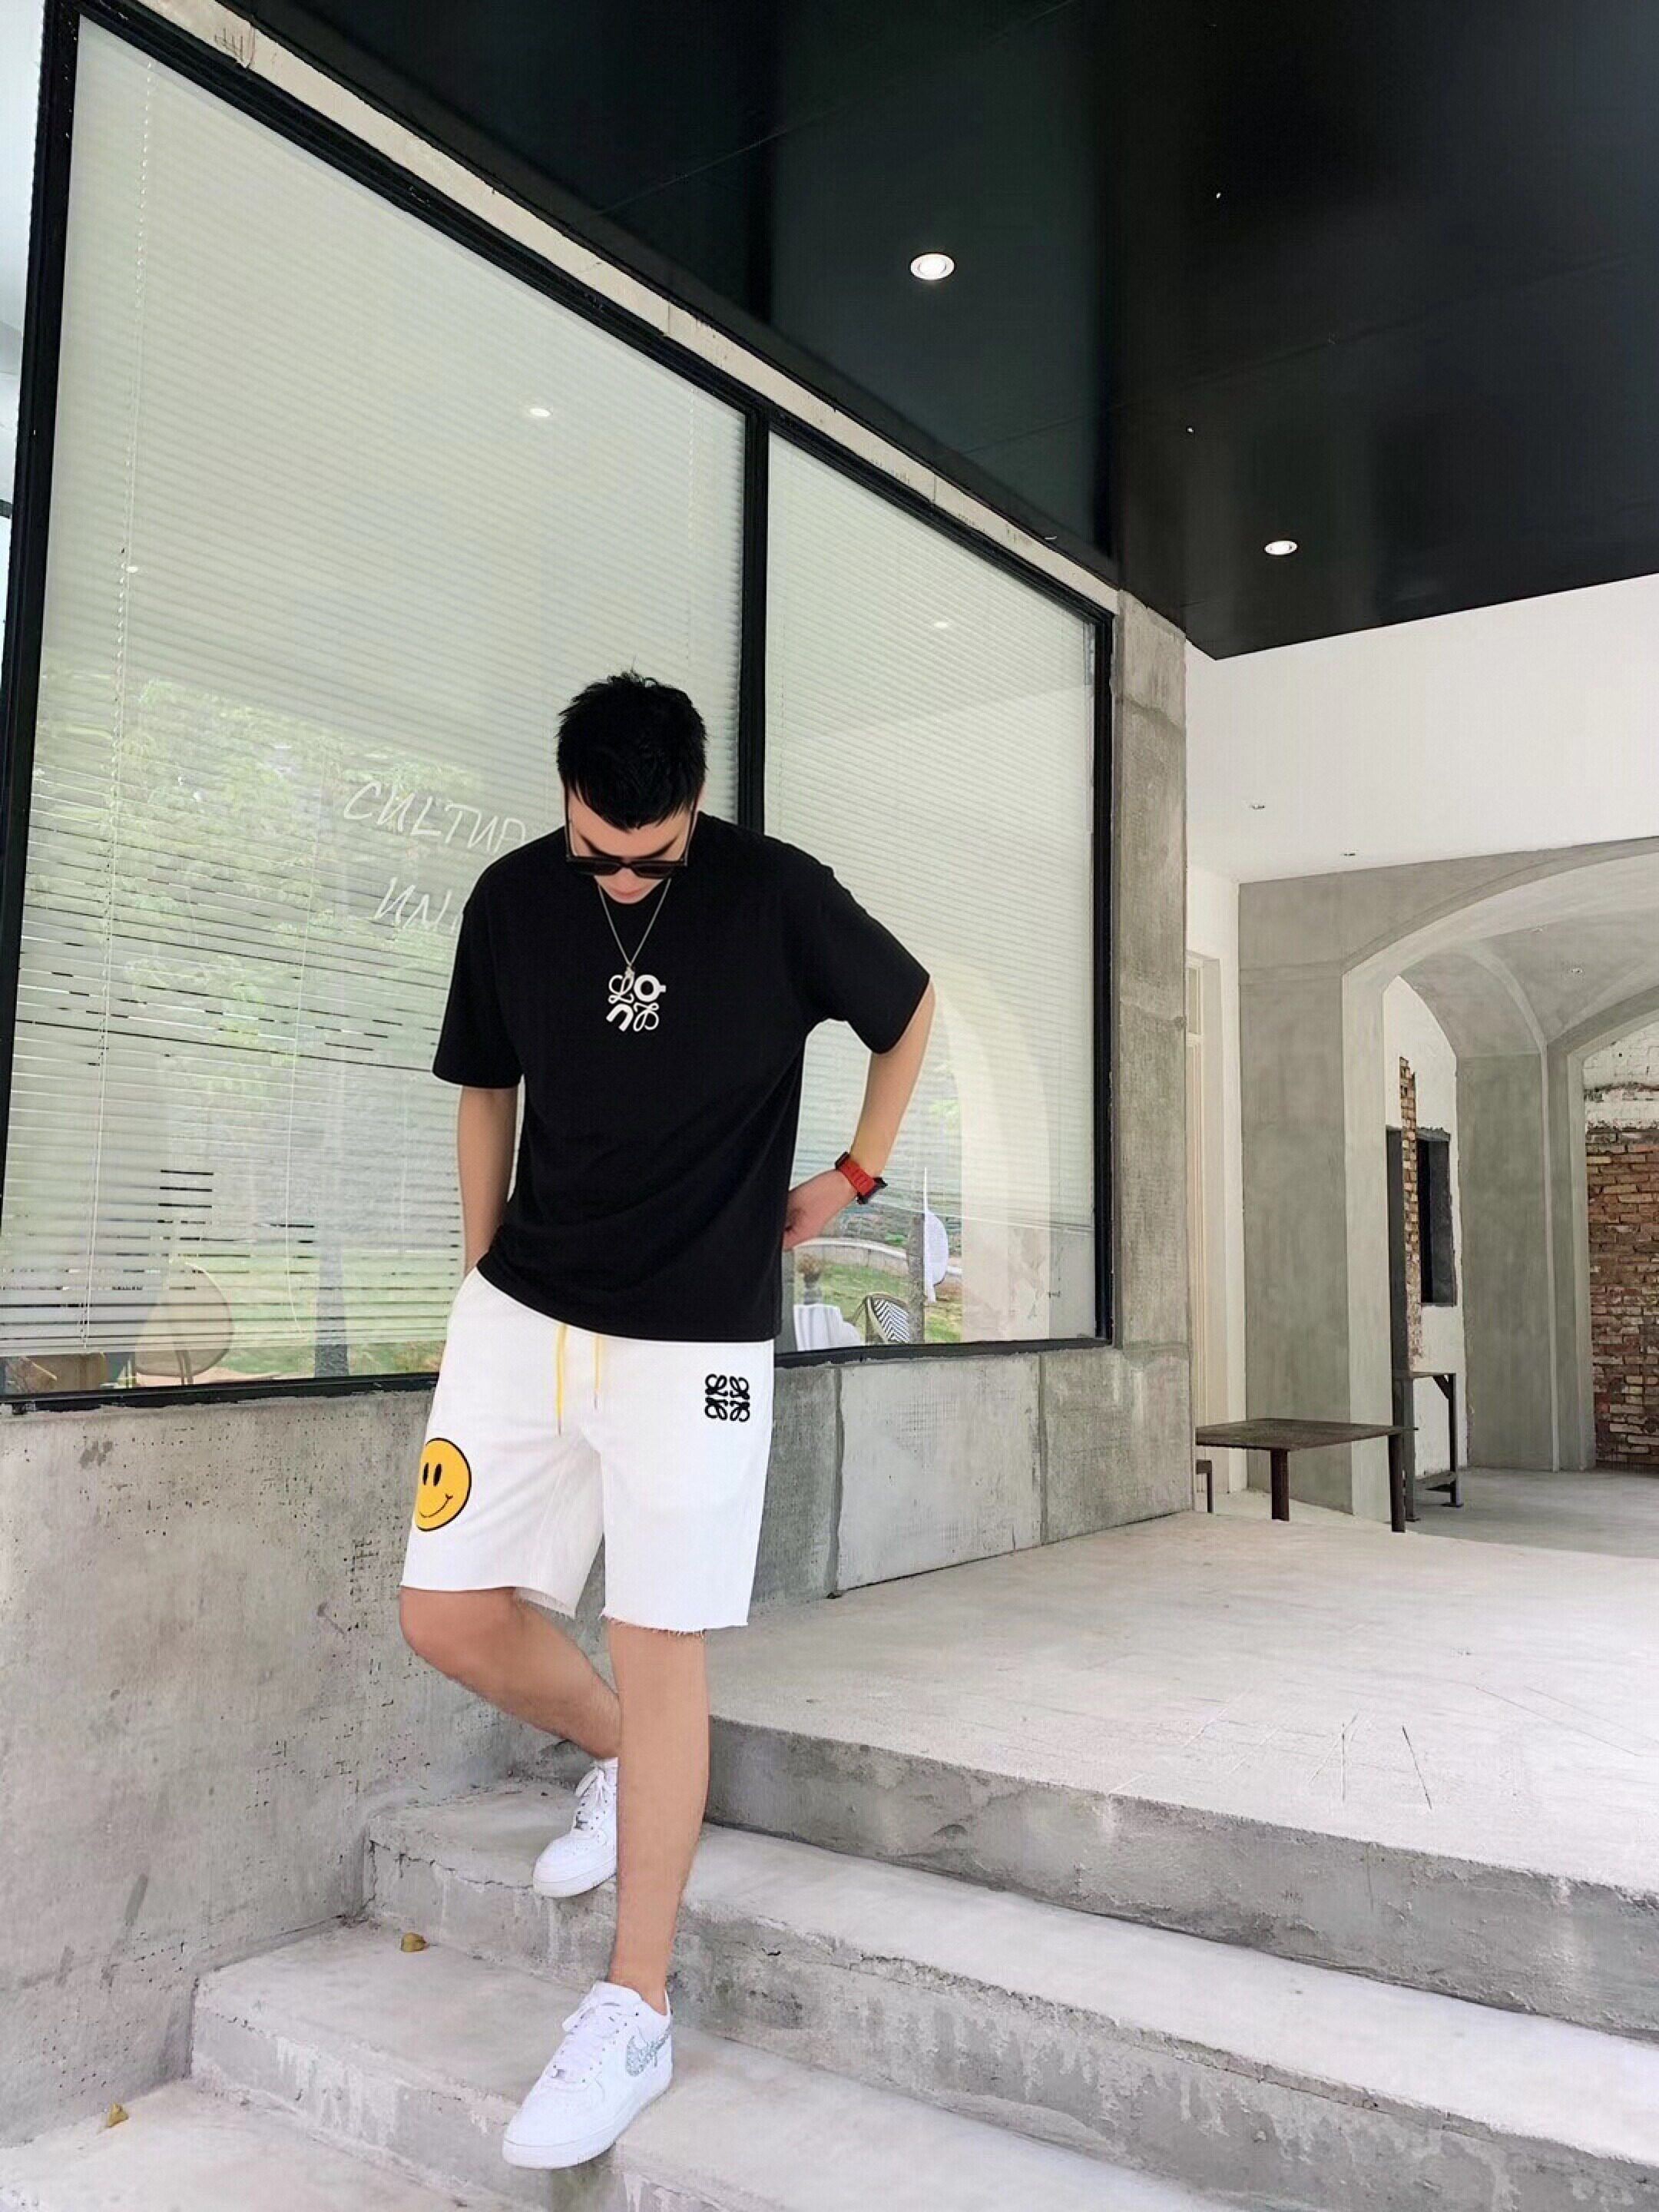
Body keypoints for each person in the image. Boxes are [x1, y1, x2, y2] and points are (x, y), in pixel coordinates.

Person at [399, 671, 933, 2171]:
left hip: (694, 1336)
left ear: (696, 804)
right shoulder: (512, 900)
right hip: (523, 1312)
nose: (626, 878)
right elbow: (484, 1087)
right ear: (565, 802)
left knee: (659, 1636)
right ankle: (634, 1761)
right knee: (445, 1614)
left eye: (655, 856)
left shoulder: (778, 895)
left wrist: (855, 1177)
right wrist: (480, 1274)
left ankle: (634, 2005)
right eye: (601, 854)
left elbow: (907, 1011)